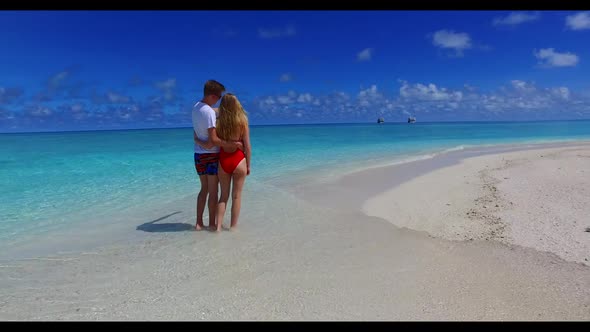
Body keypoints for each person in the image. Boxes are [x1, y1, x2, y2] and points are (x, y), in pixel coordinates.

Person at [195, 93, 251, 232]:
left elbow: (210, 110)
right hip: (238, 160)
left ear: (222, 106)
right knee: (236, 196)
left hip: (223, 160)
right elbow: (247, 146)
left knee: (223, 196)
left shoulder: (218, 122)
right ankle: (233, 227)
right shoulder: (242, 121)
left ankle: (218, 227)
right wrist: (248, 165)